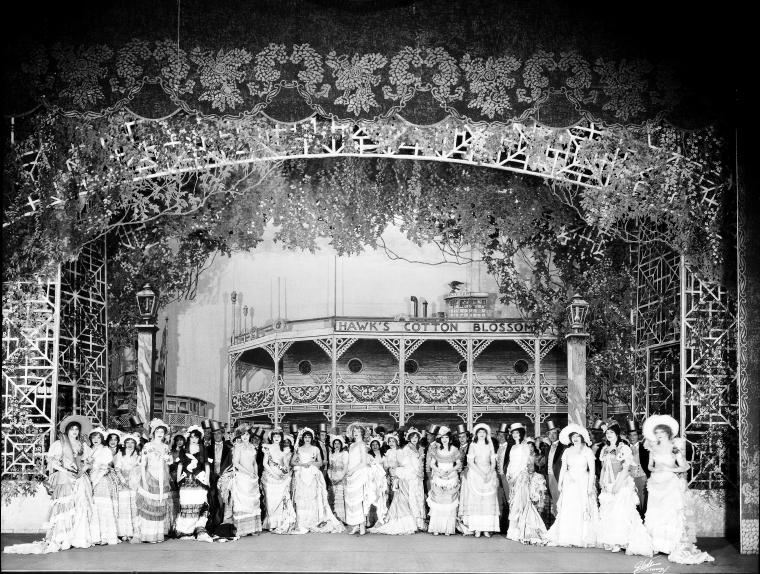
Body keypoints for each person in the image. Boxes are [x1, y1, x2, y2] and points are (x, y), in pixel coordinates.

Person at [4, 415, 96, 554]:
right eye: (72, 429)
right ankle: (63, 537)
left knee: (79, 506)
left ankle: (77, 537)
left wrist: (82, 470)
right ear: (67, 430)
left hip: (80, 479)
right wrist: (66, 471)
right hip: (65, 477)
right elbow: (53, 462)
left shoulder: (82, 445)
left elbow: (89, 462)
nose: (74, 432)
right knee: (65, 506)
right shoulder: (60, 444)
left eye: (77, 429)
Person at [643, 415, 714, 564]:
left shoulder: (674, 448)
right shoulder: (652, 448)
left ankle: (670, 545)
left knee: (669, 512)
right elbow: (649, 466)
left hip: (670, 483)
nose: (658, 435)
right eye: (656, 433)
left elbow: (684, 466)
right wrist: (655, 469)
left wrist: (670, 469)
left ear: (668, 433)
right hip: (656, 483)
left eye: (661, 432)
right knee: (656, 513)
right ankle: (657, 544)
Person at [596, 421, 653, 556]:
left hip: (620, 484)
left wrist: (618, 484)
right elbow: (603, 468)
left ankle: (620, 541)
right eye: (607, 433)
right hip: (608, 484)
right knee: (609, 513)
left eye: (611, 432)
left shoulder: (624, 448)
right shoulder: (605, 449)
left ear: (617, 434)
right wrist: (602, 481)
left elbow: (626, 469)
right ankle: (611, 540)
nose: (609, 435)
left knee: (620, 512)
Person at [546, 423, 599, 548]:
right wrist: (560, 484)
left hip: (583, 482)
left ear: (582, 437)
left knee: (581, 508)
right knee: (569, 508)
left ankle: (581, 537)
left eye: (578, 436)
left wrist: (590, 486)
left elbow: (592, 470)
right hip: (569, 483)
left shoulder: (587, 451)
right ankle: (568, 536)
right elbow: (563, 468)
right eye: (573, 436)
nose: (575, 439)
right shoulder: (567, 451)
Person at [371, 426, 425, 535]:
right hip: (407, 477)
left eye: (416, 437)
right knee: (406, 499)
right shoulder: (406, 449)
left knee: (416, 498)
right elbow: (403, 464)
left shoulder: (419, 449)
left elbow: (418, 465)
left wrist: (419, 468)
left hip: (416, 477)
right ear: (409, 438)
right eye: (412, 437)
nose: (414, 439)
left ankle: (418, 522)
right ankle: (409, 522)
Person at [290, 427, 344, 533]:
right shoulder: (299, 449)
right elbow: (292, 462)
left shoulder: (315, 449)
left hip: (312, 473)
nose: (307, 439)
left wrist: (312, 463)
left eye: (309, 437)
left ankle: (313, 520)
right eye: (305, 437)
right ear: (302, 438)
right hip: (302, 473)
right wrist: (302, 464)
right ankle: (302, 521)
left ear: (312, 438)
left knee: (313, 496)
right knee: (302, 497)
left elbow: (320, 462)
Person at [504, 424, 549, 545]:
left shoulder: (524, 447)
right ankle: (513, 531)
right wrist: (508, 474)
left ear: (521, 434)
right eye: (513, 433)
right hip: (512, 477)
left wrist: (515, 476)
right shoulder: (513, 447)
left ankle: (523, 530)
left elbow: (523, 463)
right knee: (513, 502)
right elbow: (511, 462)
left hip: (521, 477)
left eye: (517, 433)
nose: (515, 435)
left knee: (520, 502)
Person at [458, 423, 500, 537]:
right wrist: (481, 473)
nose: (482, 434)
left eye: (483, 432)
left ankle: (486, 528)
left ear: (486, 434)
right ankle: (477, 528)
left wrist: (489, 473)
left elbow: (493, 462)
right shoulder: (473, 445)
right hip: (476, 473)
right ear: (476, 434)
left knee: (487, 502)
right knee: (477, 501)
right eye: (479, 432)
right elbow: (470, 462)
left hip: (488, 473)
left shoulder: (490, 445)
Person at [136, 418, 172, 543]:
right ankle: (148, 535)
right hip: (150, 477)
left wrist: (168, 460)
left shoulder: (166, 447)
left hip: (162, 478)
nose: (160, 433)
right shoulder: (148, 446)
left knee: (159, 506)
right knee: (150, 506)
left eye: (162, 431)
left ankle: (157, 535)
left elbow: (169, 462)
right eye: (158, 431)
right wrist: (144, 481)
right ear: (153, 432)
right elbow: (143, 465)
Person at [175, 425, 212, 541]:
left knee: (199, 504)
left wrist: (207, 479)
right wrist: (178, 478)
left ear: (199, 438)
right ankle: (186, 531)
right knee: (186, 504)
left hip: (199, 480)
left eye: (196, 437)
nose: (194, 439)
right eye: (192, 437)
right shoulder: (184, 449)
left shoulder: (203, 448)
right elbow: (180, 464)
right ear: (189, 438)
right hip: (186, 480)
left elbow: (206, 465)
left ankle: (198, 529)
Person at [426, 426, 461, 536]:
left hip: (451, 476)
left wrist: (451, 470)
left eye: (446, 437)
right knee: (438, 501)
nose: (444, 439)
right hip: (439, 476)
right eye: (442, 437)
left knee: (449, 501)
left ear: (450, 439)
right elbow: (432, 463)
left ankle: (447, 528)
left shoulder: (454, 449)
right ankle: (437, 527)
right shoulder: (436, 450)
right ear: (440, 439)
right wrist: (438, 471)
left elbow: (458, 463)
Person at [261, 428, 297, 534]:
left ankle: (278, 523)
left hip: (281, 477)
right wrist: (274, 474)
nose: (276, 438)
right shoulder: (267, 448)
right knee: (270, 500)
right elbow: (265, 463)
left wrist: (285, 472)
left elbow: (285, 464)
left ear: (281, 438)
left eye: (278, 436)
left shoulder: (284, 450)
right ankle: (270, 523)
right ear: (271, 438)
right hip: (270, 476)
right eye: (275, 436)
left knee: (280, 500)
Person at [88, 427, 120, 546]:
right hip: (90, 479)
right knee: (94, 508)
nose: (96, 439)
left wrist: (95, 476)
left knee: (103, 507)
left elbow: (105, 467)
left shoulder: (105, 450)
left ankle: (105, 536)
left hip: (101, 480)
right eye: (93, 437)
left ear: (102, 439)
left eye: (98, 437)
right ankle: (95, 536)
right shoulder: (89, 450)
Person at [229, 424, 263, 536]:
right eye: (243, 434)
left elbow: (254, 462)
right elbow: (236, 463)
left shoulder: (252, 447)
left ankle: (252, 528)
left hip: (252, 478)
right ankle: (242, 529)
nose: (245, 436)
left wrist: (256, 475)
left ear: (250, 436)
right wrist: (248, 473)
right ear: (240, 436)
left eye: (247, 434)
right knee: (243, 502)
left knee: (253, 502)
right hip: (242, 477)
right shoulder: (238, 447)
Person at [344, 423, 372, 535]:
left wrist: (353, 470)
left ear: (362, 433)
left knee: (359, 499)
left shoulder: (362, 445)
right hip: (351, 474)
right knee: (352, 500)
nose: (355, 433)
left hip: (359, 473)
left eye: (358, 431)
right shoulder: (351, 445)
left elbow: (363, 462)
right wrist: (348, 471)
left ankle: (362, 526)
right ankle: (355, 524)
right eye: (354, 431)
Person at [207, 421, 233, 538]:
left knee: (224, 500)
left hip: (224, 478)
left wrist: (224, 475)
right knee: (213, 500)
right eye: (214, 434)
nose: (217, 436)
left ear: (222, 434)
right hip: (212, 478)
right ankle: (214, 524)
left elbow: (231, 464)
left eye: (219, 433)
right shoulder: (208, 449)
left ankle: (224, 524)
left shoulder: (229, 448)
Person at [114, 432, 142, 542]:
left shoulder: (139, 455)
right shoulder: (120, 454)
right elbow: (117, 469)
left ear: (135, 444)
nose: (130, 445)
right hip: (123, 483)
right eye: (127, 442)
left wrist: (135, 479)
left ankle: (135, 531)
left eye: (132, 442)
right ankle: (124, 532)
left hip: (135, 483)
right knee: (124, 507)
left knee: (134, 507)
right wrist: (122, 480)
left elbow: (141, 469)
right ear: (124, 444)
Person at [626, 419, 649, 516]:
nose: (632, 437)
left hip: (642, 478)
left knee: (643, 501)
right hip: (628, 479)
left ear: (638, 436)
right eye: (630, 435)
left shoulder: (645, 448)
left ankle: (643, 519)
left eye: (634, 435)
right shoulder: (624, 448)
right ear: (627, 436)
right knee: (630, 501)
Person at [366, 434, 389, 527]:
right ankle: (369, 519)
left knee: (381, 499)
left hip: (381, 479)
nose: (375, 446)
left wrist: (385, 477)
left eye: (376, 444)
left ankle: (380, 518)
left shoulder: (383, 455)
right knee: (370, 498)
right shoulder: (368, 455)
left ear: (379, 445)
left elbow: (386, 467)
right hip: (372, 479)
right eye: (373, 444)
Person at [545, 420, 566, 519]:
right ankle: (556, 522)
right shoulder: (548, 448)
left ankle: (561, 521)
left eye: (554, 433)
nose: (552, 435)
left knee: (561, 500)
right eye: (550, 433)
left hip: (558, 476)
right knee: (554, 500)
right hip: (549, 477)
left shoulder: (563, 447)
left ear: (558, 434)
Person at [167, 433, 186, 536]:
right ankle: (173, 525)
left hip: (184, 477)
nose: (179, 442)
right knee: (174, 501)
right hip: (173, 477)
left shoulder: (186, 451)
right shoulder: (171, 452)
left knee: (183, 501)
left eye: (181, 440)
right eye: (177, 440)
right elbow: (168, 465)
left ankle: (181, 526)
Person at [327, 435, 348, 522]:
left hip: (341, 477)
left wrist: (340, 478)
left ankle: (343, 518)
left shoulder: (344, 453)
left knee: (341, 497)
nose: (336, 445)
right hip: (333, 477)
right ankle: (335, 517)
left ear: (341, 444)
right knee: (333, 497)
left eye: (338, 443)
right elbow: (330, 467)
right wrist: (330, 477)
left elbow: (346, 467)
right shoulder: (331, 454)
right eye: (335, 443)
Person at [495, 422, 510, 533]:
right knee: (499, 501)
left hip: (506, 477)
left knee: (509, 500)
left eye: (502, 435)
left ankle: (509, 526)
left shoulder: (510, 447)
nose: (500, 437)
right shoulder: (496, 447)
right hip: (497, 477)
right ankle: (500, 525)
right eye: (499, 435)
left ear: (506, 436)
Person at [383, 432, 401, 506]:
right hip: (389, 474)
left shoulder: (399, 451)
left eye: (393, 441)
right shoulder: (388, 451)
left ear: (396, 442)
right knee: (390, 492)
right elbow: (386, 464)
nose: (391, 443)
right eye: (389, 441)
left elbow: (401, 464)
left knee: (396, 491)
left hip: (397, 475)